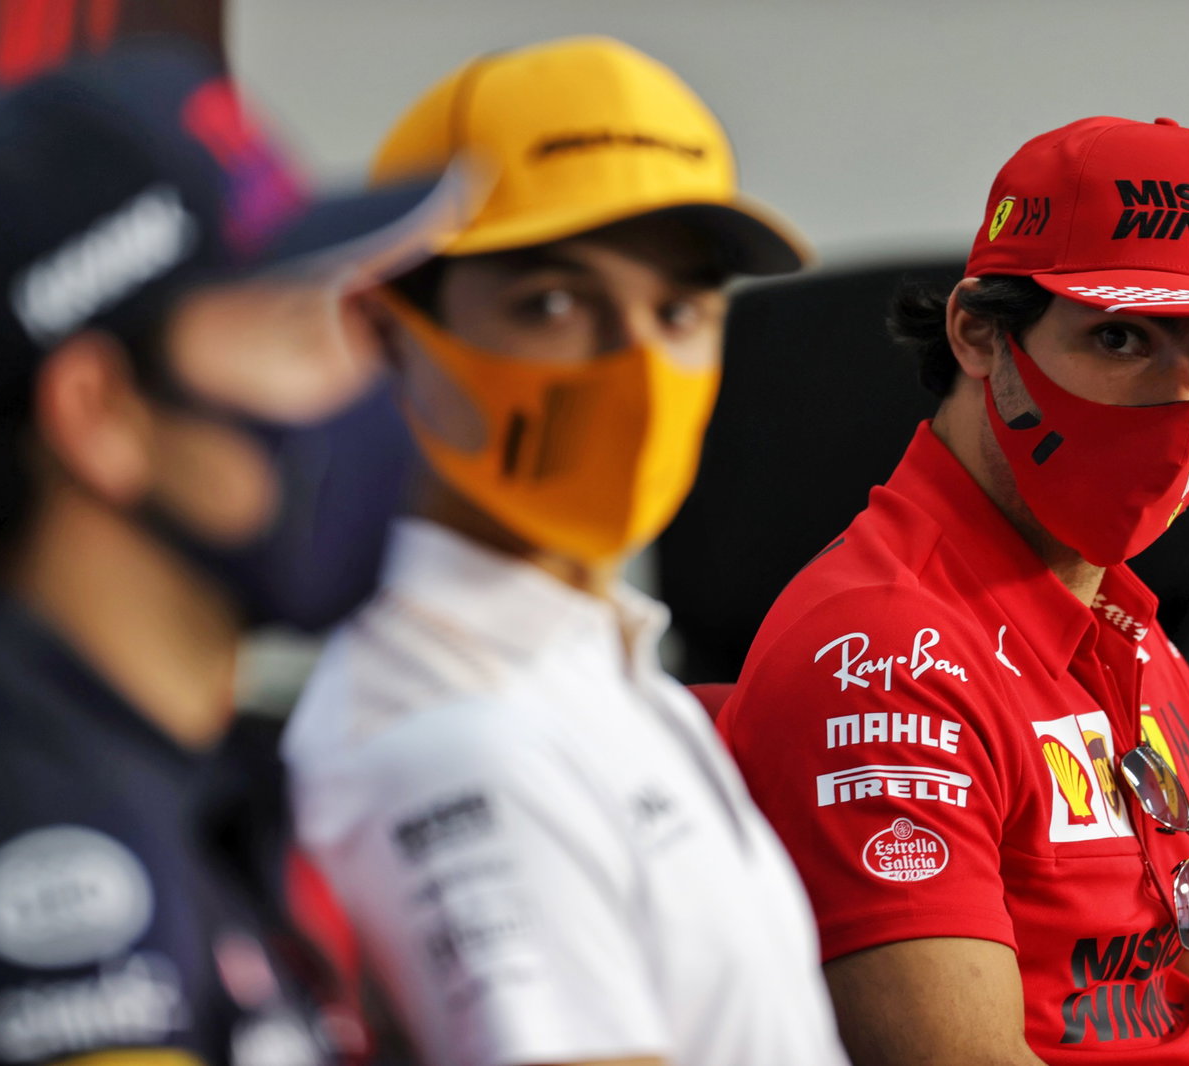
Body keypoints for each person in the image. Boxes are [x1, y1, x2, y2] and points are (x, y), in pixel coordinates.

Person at [0, 41, 473, 1065]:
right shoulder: (20, 838)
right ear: (100, 413)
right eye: (293, 331)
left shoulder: (179, 776)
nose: (363, 379)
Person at [716, 116, 1189, 1065]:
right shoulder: (886, 659)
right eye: (1119, 339)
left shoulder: (1134, 646)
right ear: (980, 335)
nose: (1174, 412)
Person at [283, 36, 850, 1066]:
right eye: (553, 303)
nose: (637, 367)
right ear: (384, 333)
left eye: (678, 309)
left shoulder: (605, 671)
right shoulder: (453, 736)